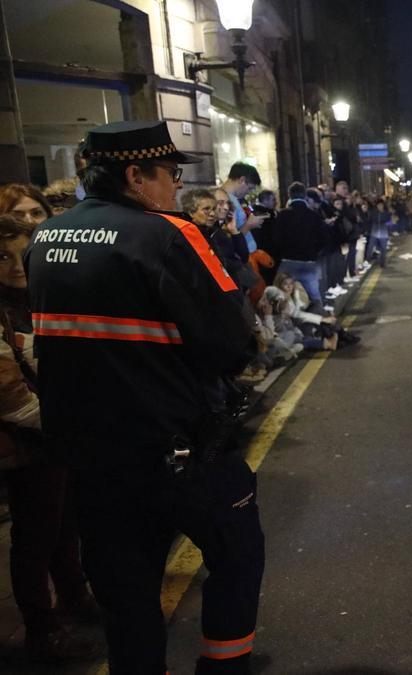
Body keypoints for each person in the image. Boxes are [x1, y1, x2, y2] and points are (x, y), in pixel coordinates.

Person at [23, 120, 264, 674]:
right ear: (135, 175)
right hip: (177, 451)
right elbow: (232, 342)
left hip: (91, 459)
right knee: (237, 555)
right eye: (171, 175)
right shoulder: (169, 234)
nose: (177, 188)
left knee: (126, 595)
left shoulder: (46, 237)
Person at [0, 213, 101, 663]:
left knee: (64, 525)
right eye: (2, 257)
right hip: (24, 442)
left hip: (53, 433)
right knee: (35, 537)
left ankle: (74, 597)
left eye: (25, 254)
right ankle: (41, 630)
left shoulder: (39, 299)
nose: (17, 265)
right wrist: (70, 424)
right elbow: (9, 394)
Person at [274, 182, 330, 310]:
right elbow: (324, 239)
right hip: (309, 261)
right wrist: (314, 252)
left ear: (290, 195)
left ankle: (289, 326)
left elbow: (276, 239)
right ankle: (319, 325)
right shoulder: (314, 215)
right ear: (305, 195)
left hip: (288, 262)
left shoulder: (282, 215)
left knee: (281, 297)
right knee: (314, 297)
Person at [219, 163, 266, 254]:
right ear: (242, 180)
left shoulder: (233, 198)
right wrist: (249, 225)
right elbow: (228, 238)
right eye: (249, 188)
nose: (248, 193)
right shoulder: (223, 199)